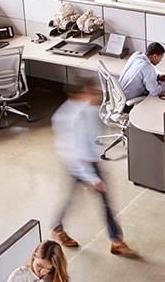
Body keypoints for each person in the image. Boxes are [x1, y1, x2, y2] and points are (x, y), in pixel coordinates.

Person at [50, 78, 139, 257]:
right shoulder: (70, 118)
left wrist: (95, 157)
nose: (97, 97)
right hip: (78, 164)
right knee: (105, 202)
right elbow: (73, 153)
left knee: (72, 197)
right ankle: (116, 242)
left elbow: (90, 138)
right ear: (76, 95)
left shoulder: (88, 108)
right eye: (91, 93)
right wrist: (92, 179)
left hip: (88, 160)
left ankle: (57, 227)